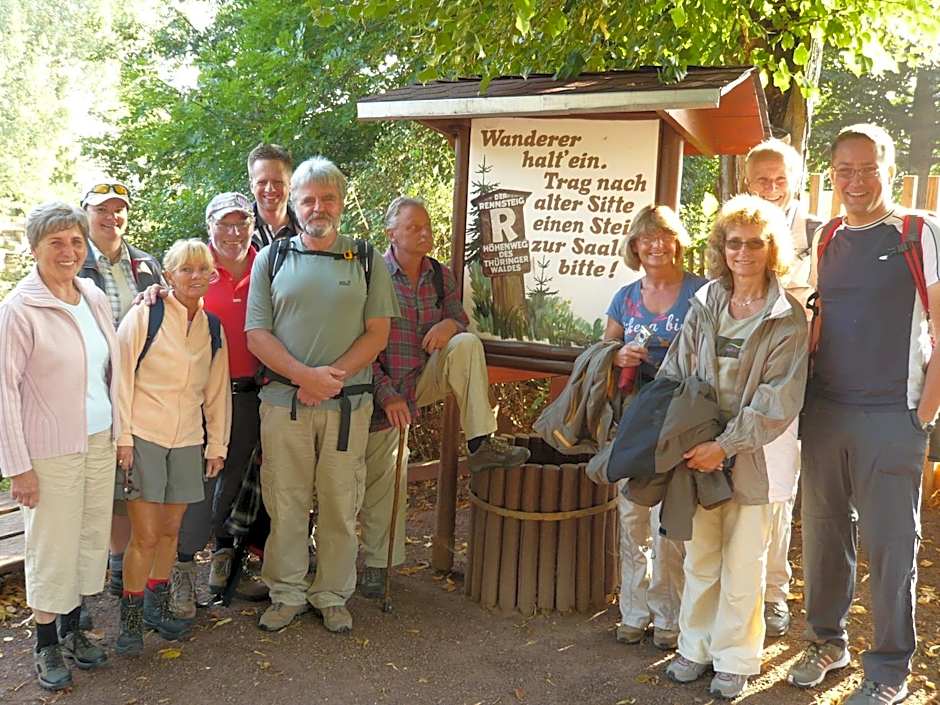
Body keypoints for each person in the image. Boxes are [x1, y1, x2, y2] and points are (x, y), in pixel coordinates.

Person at [786, 124, 940, 705]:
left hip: (891, 415)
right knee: (824, 537)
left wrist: (922, 413)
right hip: (826, 410)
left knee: (891, 542)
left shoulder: (917, 231)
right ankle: (827, 642)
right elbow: (815, 319)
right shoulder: (825, 237)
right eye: (844, 169)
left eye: (866, 168)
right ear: (832, 174)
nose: (854, 180)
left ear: (889, 169)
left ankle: (890, 668)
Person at [245, 156, 400, 634]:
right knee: (285, 502)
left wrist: (328, 379)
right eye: (308, 199)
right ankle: (286, 593)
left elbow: (377, 334)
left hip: (346, 406)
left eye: (327, 198)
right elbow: (257, 333)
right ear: (295, 203)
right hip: (284, 403)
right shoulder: (272, 259)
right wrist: (304, 378)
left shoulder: (367, 259)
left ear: (341, 202)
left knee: (339, 503)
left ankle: (332, 593)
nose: (318, 207)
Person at [661, 195, 807, 699]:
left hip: (753, 455)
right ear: (720, 248)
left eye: (754, 243)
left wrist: (723, 446)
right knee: (701, 555)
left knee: (745, 560)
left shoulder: (787, 317)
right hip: (698, 450)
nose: (742, 252)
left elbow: (776, 401)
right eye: (733, 242)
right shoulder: (706, 303)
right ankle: (694, 647)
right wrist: (677, 431)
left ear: (772, 250)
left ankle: (734, 659)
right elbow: (676, 369)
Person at [359, 197, 530, 598]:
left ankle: (480, 442)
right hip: (382, 388)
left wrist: (450, 324)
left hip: (425, 377)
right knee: (386, 475)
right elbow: (359, 346)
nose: (424, 232)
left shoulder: (440, 275)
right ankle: (378, 565)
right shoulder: (371, 277)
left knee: (467, 342)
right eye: (414, 226)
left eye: (427, 225)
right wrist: (386, 395)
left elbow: (460, 317)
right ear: (391, 234)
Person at [0, 202, 120, 690]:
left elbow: (113, 370)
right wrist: (17, 468)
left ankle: (74, 627)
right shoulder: (18, 309)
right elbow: (4, 390)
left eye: (75, 241)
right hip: (49, 451)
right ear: (35, 250)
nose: (68, 251)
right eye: (56, 243)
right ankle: (46, 640)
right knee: (52, 545)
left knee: (89, 536)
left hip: (98, 439)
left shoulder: (90, 295)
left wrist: (121, 433)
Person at [114, 239, 231, 655]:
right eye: (185, 269)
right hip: (143, 435)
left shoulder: (213, 328)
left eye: (203, 270)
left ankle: (156, 609)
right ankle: (129, 622)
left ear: (212, 275)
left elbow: (218, 393)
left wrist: (217, 445)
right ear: (169, 274)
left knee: (170, 531)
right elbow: (122, 377)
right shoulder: (146, 314)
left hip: (187, 440)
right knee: (144, 535)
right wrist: (123, 438)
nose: (195, 277)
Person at [603, 205, 706, 650]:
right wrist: (618, 355)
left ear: (678, 242)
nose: (655, 245)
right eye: (646, 238)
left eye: (663, 236)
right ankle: (632, 610)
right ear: (634, 246)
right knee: (631, 514)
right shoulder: (625, 297)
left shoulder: (702, 292)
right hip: (634, 416)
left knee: (672, 518)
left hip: (682, 418)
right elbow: (604, 348)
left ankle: (668, 617)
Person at [168, 193, 267, 618]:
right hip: (200, 397)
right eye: (224, 224)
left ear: (252, 224)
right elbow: (167, 297)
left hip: (251, 395)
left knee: (236, 485)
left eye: (241, 223)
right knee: (196, 485)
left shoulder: (269, 264)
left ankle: (228, 561)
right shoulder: (197, 267)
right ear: (210, 226)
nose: (233, 232)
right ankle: (180, 571)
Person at [743, 138, 821, 638]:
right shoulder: (737, 227)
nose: (771, 188)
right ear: (746, 182)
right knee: (735, 484)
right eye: (761, 179)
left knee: (777, 486)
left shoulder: (818, 233)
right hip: (737, 376)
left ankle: (773, 590)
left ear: (795, 179)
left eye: (779, 179)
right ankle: (739, 585)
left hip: (791, 375)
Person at [79, 179, 163, 603]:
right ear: (86, 214)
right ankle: (100, 573)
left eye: (119, 210)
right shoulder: (73, 262)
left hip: (139, 391)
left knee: (130, 476)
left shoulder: (146, 264)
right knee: (99, 481)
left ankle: (122, 567)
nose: (112, 218)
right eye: (102, 211)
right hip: (89, 390)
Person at [248, 143, 300, 250]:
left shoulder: (308, 229)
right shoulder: (236, 234)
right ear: (251, 186)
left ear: (291, 184)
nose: (270, 189)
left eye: (277, 182)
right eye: (262, 182)